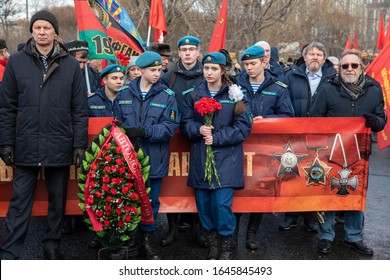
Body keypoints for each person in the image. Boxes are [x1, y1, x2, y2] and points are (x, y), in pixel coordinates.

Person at [0, 10, 88, 260]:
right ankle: (10, 251)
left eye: (46, 28)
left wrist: (79, 144)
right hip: (25, 142)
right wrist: (5, 141)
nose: (41, 32)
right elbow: (6, 106)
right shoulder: (16, 62)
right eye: (37, 27)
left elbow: (79, 109)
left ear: (55, 32)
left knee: (57, 200)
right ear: (31, 31)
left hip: (59, 142)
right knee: (19, 202)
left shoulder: (70, 64)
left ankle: (52, 245)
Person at [310, 49, 386, 255]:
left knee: (356, 194)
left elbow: (382, 120)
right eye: (345, 66)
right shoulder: (327, 89)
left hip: (360, 153)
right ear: (339, 69)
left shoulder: (374, 88)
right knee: (329, 194)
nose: (349, 69)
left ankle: (354, 236)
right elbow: (314, 119)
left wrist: (375, 121)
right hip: (331, 152)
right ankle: (326, 236)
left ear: (361, 68)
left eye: (354, 65)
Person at [181, 52, 252, 260]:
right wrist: (198, 129)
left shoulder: (235, 94)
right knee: (203, 207)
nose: (209, 72)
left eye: (214, 69)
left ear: (222, 70)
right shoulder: (193, 94)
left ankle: (226, 247)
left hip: (227, 160)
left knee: (221, 205)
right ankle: (212, 245)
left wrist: (217, 137)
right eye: (206, 68)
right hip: (201, 159)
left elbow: (243, 127)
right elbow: (185, 123)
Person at [115, 51, 179, 259]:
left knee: (150, 202)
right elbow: (116, 123)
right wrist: (126, 132)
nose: (157, 74)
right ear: (140, 70)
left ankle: (146, 242)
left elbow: (170, 127)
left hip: (154, 158)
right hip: (127, 158)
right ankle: (129, 244)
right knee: (127, 200)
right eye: (152, 70)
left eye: (159, 70)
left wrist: (145, 132)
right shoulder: (123, 94)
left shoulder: (167, 96)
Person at [235, 45, 294, 250]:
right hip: (239, 146)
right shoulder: (235, 86)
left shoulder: (278, 87)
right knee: (238, 189)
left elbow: (288, 116)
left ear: (264, 63)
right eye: (246, 64)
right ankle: (233, 233)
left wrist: (267, 120)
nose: (249, 68)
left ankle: (252, 233)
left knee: (259, 191)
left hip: (264, 148)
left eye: (253, 64)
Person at [280, 41, 337, 232]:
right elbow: (283, 101)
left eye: (319, 55)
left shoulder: (333, 78)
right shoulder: (291, 76)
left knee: (316, 174)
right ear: (304, 57)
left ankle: (312, 216)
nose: (315, 57)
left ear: (324, 59)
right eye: (311, 54)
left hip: (321, 136)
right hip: (295, 135)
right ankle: (291, 215)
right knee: (292, 173)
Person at [160, 36, 206, 248]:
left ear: (198, 52)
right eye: (184, 49)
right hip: (173, 138)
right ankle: (172, 229)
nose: (188, 53)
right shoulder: (167, 78)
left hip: (199, 137)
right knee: (173, 185)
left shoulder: (207, 75)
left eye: (192, 49)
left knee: (199, 183)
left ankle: (199, 230)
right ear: (178, 53)